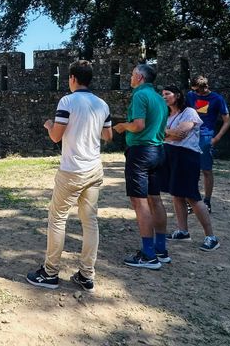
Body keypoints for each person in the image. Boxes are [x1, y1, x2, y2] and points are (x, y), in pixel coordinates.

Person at [27, 60, 112, 292]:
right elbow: (108, 136)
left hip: (72, 170)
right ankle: (86, 274)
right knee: (90, 221)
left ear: (73, 78)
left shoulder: (67, 101)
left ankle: (50, 272)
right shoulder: (102, 104)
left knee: (57, 219)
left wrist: (48, 125)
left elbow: (56, 136)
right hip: (94, 169)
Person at [112, 63, 168, 270]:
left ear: (139, 77)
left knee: (140, 202)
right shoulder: (159, 99)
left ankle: (148, 255)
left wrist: (122, 126)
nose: (130, 77)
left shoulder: (139, 95)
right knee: (155, 199)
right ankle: (161, 249)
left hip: (141, 152)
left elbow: (138, 125)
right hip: (158, 150)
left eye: (132, 74)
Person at [161, 85, 220, 252]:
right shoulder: (168, 114)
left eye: (167, 94)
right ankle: (182, 231)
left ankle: (211, 237)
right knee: (176, 194)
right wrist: (167, 133)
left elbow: (181, 134)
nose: (164, 97)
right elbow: (168, 134)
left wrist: (164, 132)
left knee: (192, 196)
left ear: (177, 95)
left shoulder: (189, 112)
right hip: (171, 154)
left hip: (187, 156)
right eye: (162, 94)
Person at [186, 75, 230, 212]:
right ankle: (192, 200)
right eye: (194, 91)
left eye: (198, 91)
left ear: (205, 87)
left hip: (205, 137)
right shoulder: (191, 95)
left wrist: (216, 139)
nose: (196, 93)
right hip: (190, 135)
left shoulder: (217, 99)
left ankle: (207, 202)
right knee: (190, 170)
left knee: (206, 170)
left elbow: (227, 121)